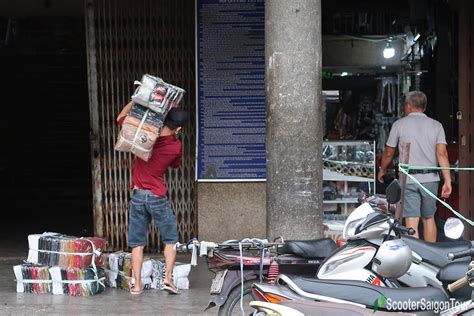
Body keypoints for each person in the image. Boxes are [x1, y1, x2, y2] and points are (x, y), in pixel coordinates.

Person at [117, 101, 189, 294]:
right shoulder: (175, 146)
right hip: (157, 196)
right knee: (171, 239)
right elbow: (175, 165)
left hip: (138, 195)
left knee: (137, 243)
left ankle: (137, 285)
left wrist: (136, 100)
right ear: (178, 129)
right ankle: (168, 279)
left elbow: (121, 119)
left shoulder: (146, 133)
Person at [377, 91, 451, 242]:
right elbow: (442, 154)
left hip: (409, 180)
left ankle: (415, 260)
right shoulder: (437, 126)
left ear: (408, 106)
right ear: (424, 107)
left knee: (411, 220)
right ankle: (431, 257)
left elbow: (389, 153)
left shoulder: (399, 125)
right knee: (429, 218)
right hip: (431, 179)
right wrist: (447, 180)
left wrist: (382, 169)